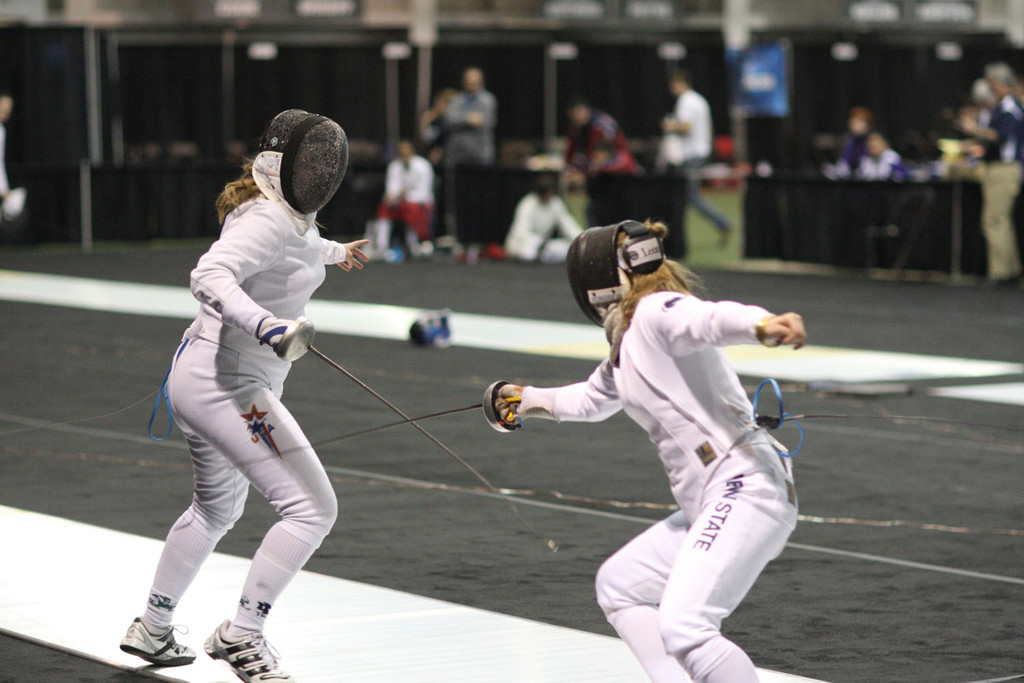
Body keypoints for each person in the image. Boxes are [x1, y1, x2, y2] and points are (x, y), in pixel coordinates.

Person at [484, 219, 803, 683]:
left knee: (686, 626)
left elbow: (706, 319)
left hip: (746, 489)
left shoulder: (656, 311)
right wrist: (524, 399)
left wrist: (761, 325)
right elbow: (590, 400)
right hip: (717, 498)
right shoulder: (628, 343)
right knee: (620, 587)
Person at [119, 109, 368, 683]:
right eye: (313, 164)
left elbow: (297, 244)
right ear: (286, 167)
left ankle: (153, 627)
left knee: (216, 510)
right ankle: (243, 634)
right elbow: (209, 276)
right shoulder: (267, 219)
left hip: (201, 375)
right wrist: (266, 325)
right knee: (312, 509)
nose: (322, 175)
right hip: (227, 384)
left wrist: (336, 252)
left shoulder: (284, 215)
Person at [960, 62, 1024, 286]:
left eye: (991, 83)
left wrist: (974, 129)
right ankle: (1011, 268)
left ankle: (1001, 272)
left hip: (1004, 170)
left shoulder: (1009, 107)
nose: (989, 87)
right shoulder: (1002, 106)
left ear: (999, 83)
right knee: (1001, 221)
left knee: (994, 220)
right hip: (999, 168)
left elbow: (1000, 136)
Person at [659, 70, 731, 251]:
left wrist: (669, 125)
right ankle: (680, 237)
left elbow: (686, 127)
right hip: (700, 151)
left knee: (689, 196)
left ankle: (721, 222)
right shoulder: (699, 100)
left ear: (679, 83)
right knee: (687, 196)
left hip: (692, 154)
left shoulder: (686, 101)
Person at [564, 97, 639, 225]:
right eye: (573, 117)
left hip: (618, 178)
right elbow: (572, 154)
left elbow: (611, 154)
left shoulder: (602, 125)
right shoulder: (576, 127)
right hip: (599, 178)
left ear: (585, 111)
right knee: (594, 210)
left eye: (578, 115)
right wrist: (573, 169)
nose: (576, 119)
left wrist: (592, 168)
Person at [365, 139, 435, 261]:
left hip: (420, 203)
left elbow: (424, 193)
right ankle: (382, 246)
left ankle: (414, 246)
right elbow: (391, 190)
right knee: (384, 209)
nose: (403, 156)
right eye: (401, 153)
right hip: (400, 202)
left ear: (412, 152)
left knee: (411, 210)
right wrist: (392, 197)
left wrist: (404, 195)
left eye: (406, 153)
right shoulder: (394, 166)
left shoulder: (423, 166)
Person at [503, 173, 583, 263]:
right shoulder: (528, 204)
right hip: (524, 244)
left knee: (566, 249)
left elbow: (568, 225)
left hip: (544, 246)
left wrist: (580, 240)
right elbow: (521, 232)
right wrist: (539, 242)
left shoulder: (556, 203)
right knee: (528, 253)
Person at [441, 67, 497, 167]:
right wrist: (468, 118)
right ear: (464, 81)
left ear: (480, 81)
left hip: (481, 154)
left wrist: (461, 118)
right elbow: (449, 120)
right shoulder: (456, 100)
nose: (471, 83)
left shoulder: (488, 100)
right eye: (469, 80)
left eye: (474, 81)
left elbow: (487, 122)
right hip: (457, 154)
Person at [834, 106, 875, 179]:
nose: (853, 124)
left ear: (868, 125)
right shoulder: (849, 141)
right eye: (852, 121)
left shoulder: (873, 141)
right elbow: (844, 163)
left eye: (858, 122)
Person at [419, 88, 457, 166]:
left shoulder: (452, 121)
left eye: (444, 102)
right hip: (432, 154)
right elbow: (427, 138)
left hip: (452, 154)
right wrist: (425, 123)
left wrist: (440, 150)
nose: (439, 105)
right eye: (438, 102)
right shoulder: (433, 118)